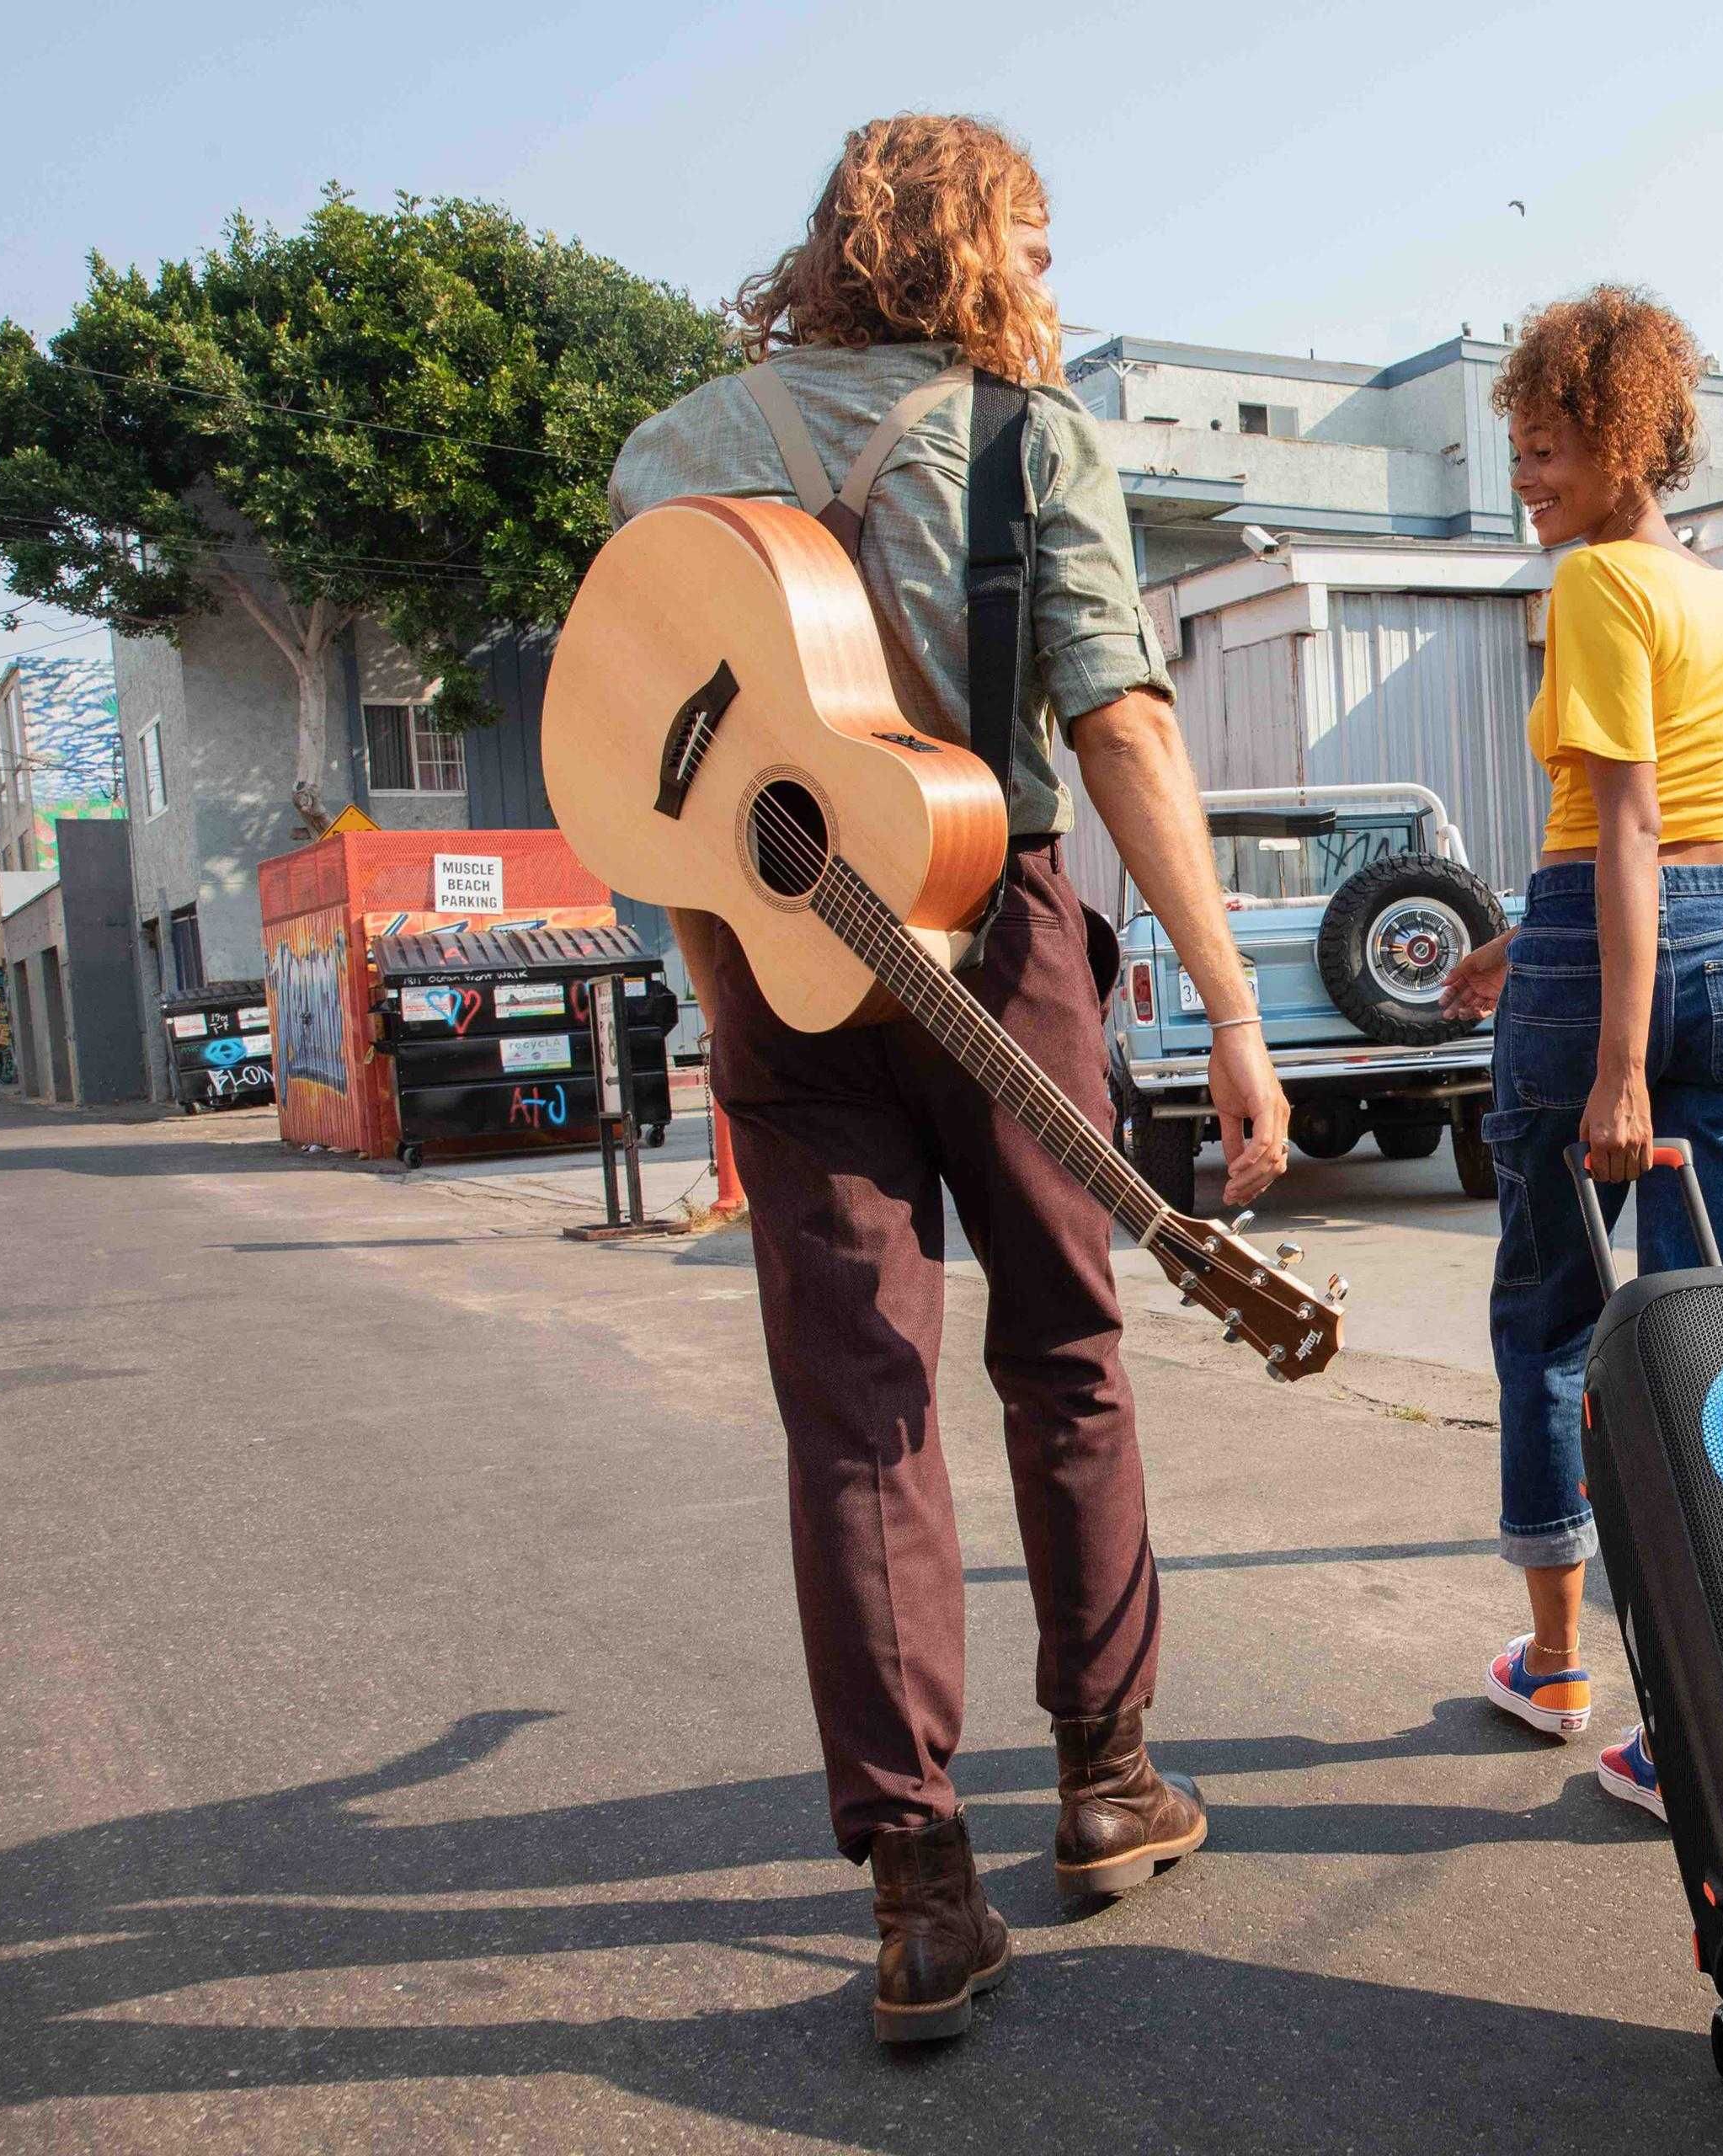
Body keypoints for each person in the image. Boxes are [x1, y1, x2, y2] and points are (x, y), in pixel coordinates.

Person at [606, 115, 1293, 2046]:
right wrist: (1234, 1007)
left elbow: (645, 760)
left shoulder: (678, 450)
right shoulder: (1021, 432)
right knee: (1064, 1352)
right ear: (978, 249)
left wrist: (721, 965)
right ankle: (1105, 1781)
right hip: (996, 926)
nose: (1054, 287)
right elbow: (1123, 722)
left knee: (859, 1409)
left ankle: (920, 1894)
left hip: (774, 954)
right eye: (1042, 248)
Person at [1438, 286, 1723, 1823]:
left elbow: (1632, 826)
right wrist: (1517, 940)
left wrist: (1613, 1063)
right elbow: (1693, 838)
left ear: (1625, 440)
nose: (1528, 478)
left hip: (1626, 959)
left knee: (1557, 1327)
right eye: (1518, 450)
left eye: (1548, 449)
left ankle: (1560, 1667)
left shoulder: (1593, 584)